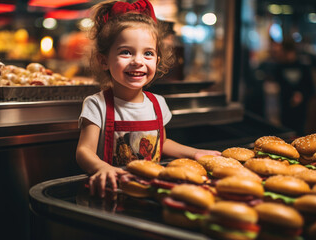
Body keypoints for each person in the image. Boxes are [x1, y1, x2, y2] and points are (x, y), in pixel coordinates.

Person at [76, 0, 221, 198]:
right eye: (126, 52)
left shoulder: (158, 103)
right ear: (104, 60)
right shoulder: (96, 104)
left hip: (150, 192)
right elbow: (84, 151)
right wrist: (101, 168)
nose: (138, 61)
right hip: (113, 192)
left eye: (148, 54)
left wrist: (194, 153)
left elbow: (161, 143)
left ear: (157, 61)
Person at [273, 38, 315, 136]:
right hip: (284, 108)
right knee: (284, 133)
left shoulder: (303, 66)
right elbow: (278, 87)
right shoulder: (279, 67)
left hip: (301, 110)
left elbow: (311, 87)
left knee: (300, 134)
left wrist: (301, 95)